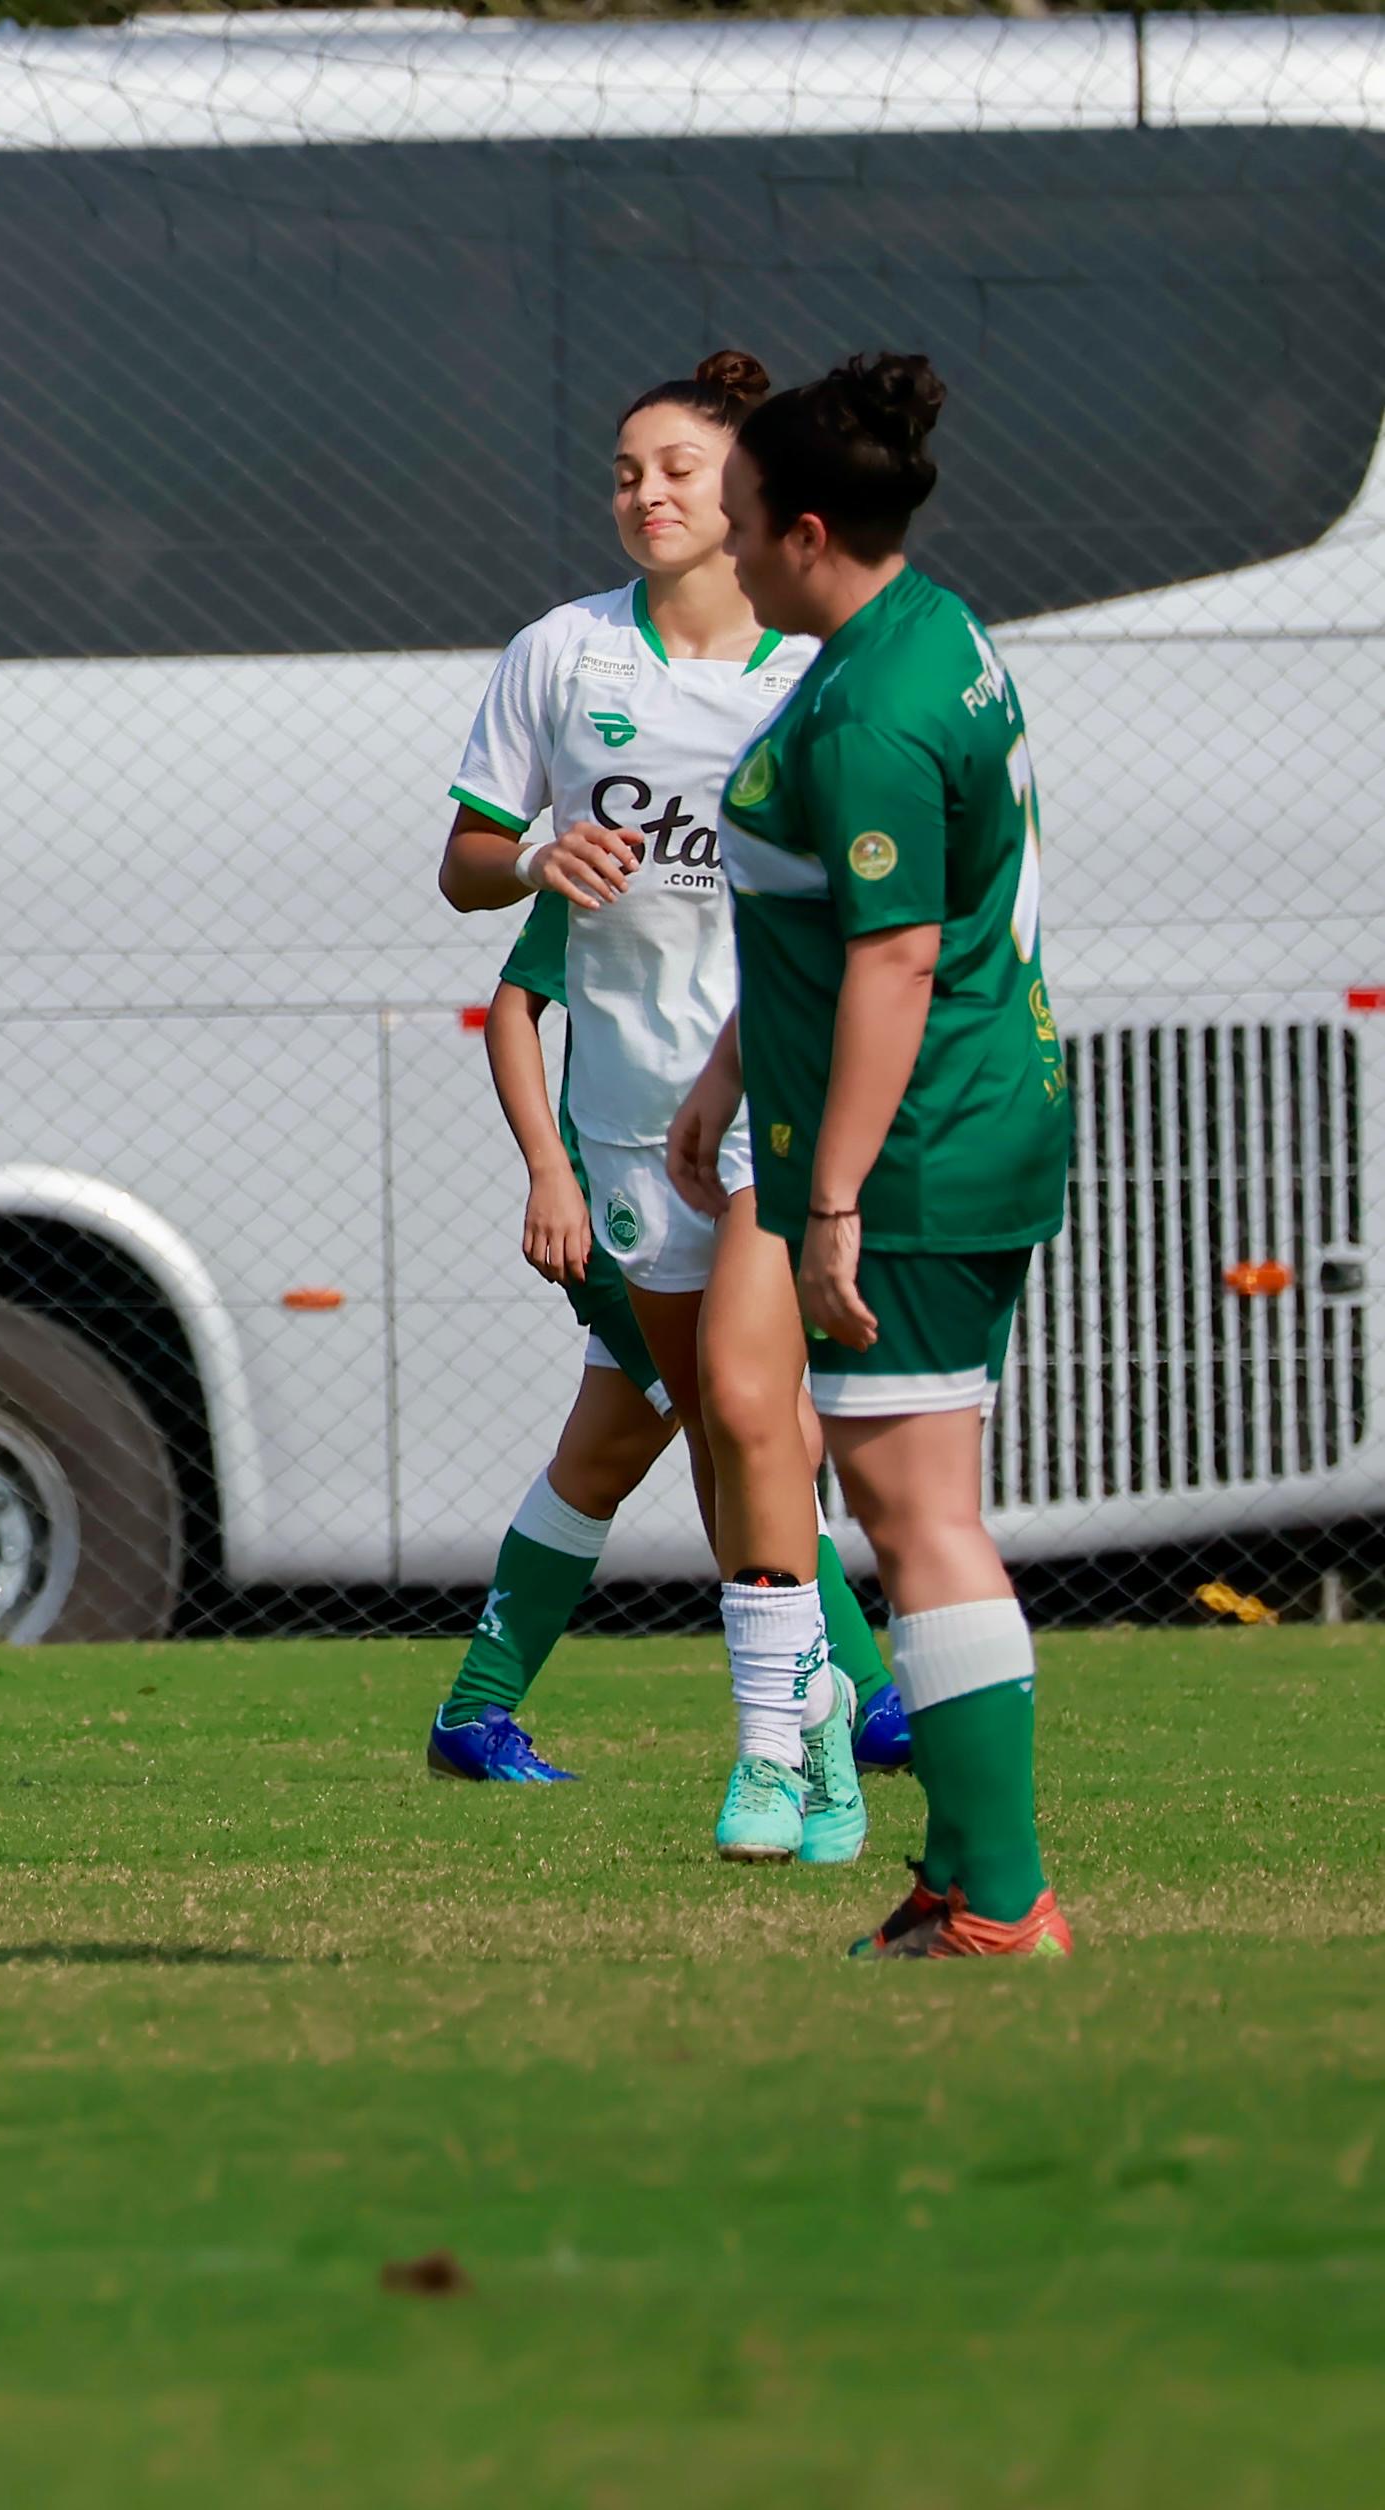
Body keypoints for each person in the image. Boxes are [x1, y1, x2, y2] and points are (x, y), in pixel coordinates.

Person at [428, 353, 899, 1798]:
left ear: (746, 487)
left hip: (769, 1099)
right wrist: (531, 855)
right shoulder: (561, 656)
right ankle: (857, 1701)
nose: (646, 493)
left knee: (695, 1419)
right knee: (727, 1417)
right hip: (635, 1124)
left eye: (678, 469)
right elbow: (464, 873)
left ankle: (485, 1710)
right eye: (626, 471)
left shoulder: (815, 669)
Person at [671, 351, 1074, 1957]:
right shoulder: (921, 629)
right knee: (915, 1504)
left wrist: (825, 1196)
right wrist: (726, 1068)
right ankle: (968, 1873)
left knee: (918, 1519)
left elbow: (890, 962)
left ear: (808, 528)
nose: (729, 546)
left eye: (746, 519)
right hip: (950, 1125)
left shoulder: (875, 708)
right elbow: (816, 924)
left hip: (918, 1150)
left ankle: (1001, 1891)